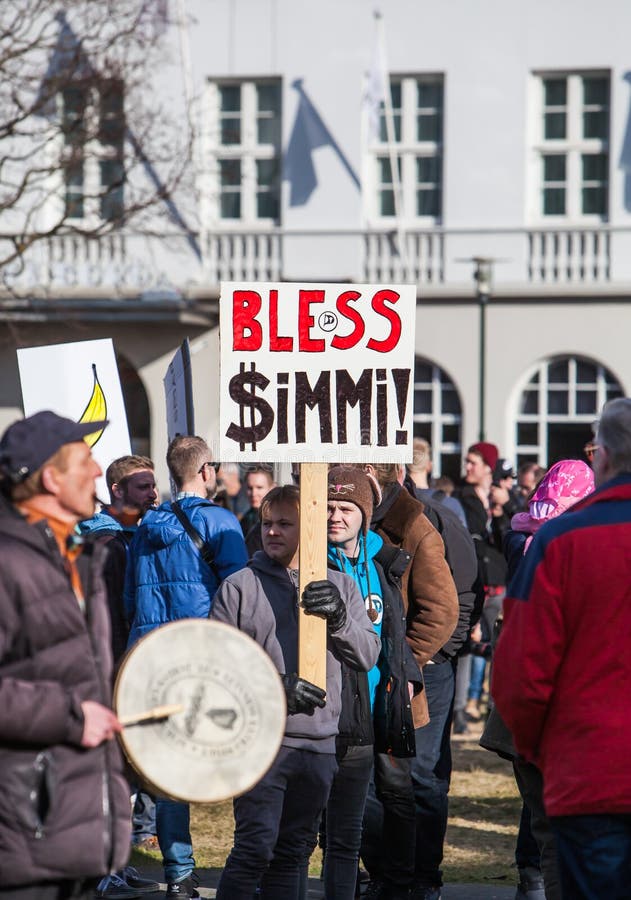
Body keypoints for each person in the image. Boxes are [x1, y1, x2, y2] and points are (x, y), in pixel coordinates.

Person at [209, 484, 381, 900]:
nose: (272, 532)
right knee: (255, 848)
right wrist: (271, 685)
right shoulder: (239, 586)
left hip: (320, 741)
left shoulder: (341, 585)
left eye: (284, 523)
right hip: (259, 741)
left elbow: (367, 654)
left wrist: (340, 619)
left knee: (293, 852)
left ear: (309, 529)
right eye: (267, 523)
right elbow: (214, 667)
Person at [492, 397, 631, 900]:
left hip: (587, 770)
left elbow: (519, 672)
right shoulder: (558, 539)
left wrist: (539, 752)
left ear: (603, 458)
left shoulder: (559, 540)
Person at [0, 411, 131, 898]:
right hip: (22, 834)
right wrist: (72, 718)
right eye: (84, 462)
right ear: (51, 479)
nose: (98, 471)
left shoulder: (80, 557)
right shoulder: (7, 560)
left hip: (73, 833)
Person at [124, 435, 248, 899]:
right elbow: (242, 593)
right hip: (204, 653)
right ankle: (250, 862)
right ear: (205, 470)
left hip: (151, 655)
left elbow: (130, 598)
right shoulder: (220, 521)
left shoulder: (147, 525)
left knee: (170, 770)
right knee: (243, 751)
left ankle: (179, 874)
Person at [481, 459, 595, 900]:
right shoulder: (575, 550)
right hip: (562, 715)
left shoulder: (520, 537)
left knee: (550, 828)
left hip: (526, 712)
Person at [360, 462, 459, 900]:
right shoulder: (340, 518)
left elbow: (442, 610)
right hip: (355, 680)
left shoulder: (416, 526)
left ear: (369, 470)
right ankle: (380, 874)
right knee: (362, 785)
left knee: (410, 782)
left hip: (405, 678)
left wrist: (402, 662)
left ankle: (418, 878)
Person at [323, 466, 422, 900]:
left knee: (397, 793)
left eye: (346, 508)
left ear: (364, 514)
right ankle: (362, 877)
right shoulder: (311, 562)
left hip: (386, 693)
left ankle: (397, 883)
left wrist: (408, 672)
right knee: (345, 800)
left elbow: (399, 623)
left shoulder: (384, 561)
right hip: (341, 700)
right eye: (328, 507)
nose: (335, 516)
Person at [80, 455, 161, 898]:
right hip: (110, 670)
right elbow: (107, 617)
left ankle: (117, 864)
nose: (153, 494)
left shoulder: (135, 536)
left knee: (122, 776)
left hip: (126, 666)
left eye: (153, 485)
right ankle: (99, 871)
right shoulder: (105, 543)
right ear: (116, 491)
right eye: (142, 487)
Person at [240, 463, 275, 552]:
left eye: (259, 487)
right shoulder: (245, 520)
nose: (253, 493)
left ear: (272, 488)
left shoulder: (279, 518)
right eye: (250, 488)